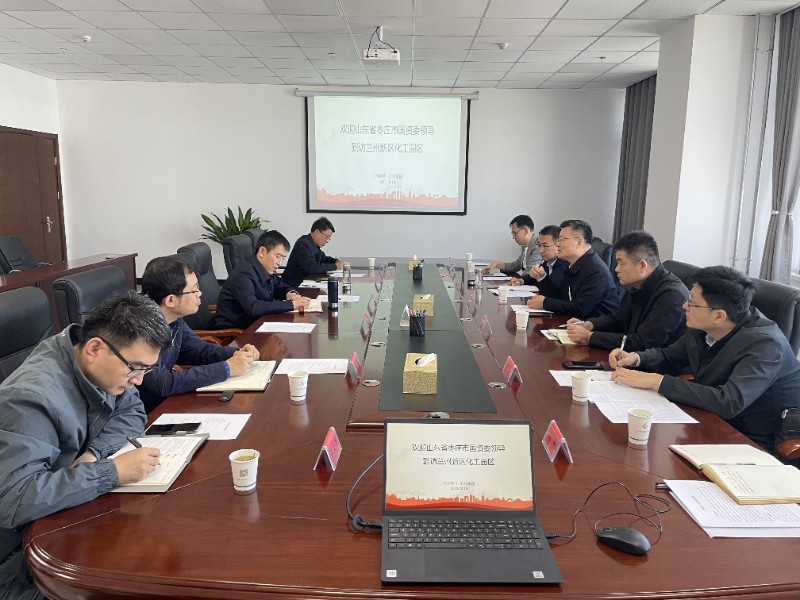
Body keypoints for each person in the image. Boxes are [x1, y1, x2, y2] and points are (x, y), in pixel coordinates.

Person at [0, 290, 172, 599]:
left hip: (67, 518)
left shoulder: (97, 366)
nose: (139, 381)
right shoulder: (30, 399)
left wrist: (94, 455)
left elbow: (132, 410)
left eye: (146, 370)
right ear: (95, 348)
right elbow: (14, 500)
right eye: (135, 368)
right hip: (23, 562)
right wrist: (111, 472)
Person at [610, 266, 800, 452]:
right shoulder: (704, 327)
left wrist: (657, 381)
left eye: (692, 303)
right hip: (712, 420)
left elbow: (728, 402)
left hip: (753, 440)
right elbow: (670, 355)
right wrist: (636, 358)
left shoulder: (765, 345)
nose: (684, 306)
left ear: (718, 316)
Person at [138, 256, 260, 413]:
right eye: (194, 290)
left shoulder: (174, 319)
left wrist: (237, 354)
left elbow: (199, 350)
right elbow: (162, 384)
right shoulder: (140, 330)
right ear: (170, 300)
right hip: (147, 413)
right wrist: (227, 368)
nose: (200, 293)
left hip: (169, 401)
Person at [566, 230, 688, 350]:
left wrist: (589, 337)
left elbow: (643, 342)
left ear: (642, 266)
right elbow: (618, 319)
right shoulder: (639, 284)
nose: (616, 269)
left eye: (621, 263)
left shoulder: (671, 295)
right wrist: (590, 325)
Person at [215, 230, 310, 329]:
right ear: (262, 252)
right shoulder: (243, 274)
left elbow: (278, 284)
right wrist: (291, 304)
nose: (279, 263)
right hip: (235, 332)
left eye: (283, 258)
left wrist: (290, 293)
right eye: (278, 257)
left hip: (256, 324)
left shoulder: (262, 268)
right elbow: (253, 307)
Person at [528, 219, 621, 318]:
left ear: (579, 242)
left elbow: (580, 309)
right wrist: (542, 277)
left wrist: (545, 303)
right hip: (576, 322)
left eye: (562, 239)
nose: (558, 244)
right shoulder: (573, 264)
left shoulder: (596, 270)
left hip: (596, 325)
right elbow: (561, 296)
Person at [281, 217, 343, 288]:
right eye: (327, 237)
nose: (327, 241)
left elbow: (323, 258)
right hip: (292, 287)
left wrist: (335, 261)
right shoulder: (303, 244)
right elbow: (311, 267)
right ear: (317, 232)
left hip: (305, 284)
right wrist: (335, 266)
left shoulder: (313, 244)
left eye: (329, 238)